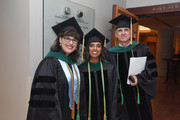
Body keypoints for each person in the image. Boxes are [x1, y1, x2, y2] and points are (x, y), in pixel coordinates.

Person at [27, 17, 85, 120]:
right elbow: (45, 98)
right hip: (56, 114)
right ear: (60, 39)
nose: (71, 43)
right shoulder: (49, 63)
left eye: (74, 40)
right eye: (67, 38)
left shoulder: (73, 63)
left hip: (72, 113)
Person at [107, 14, 158, 120]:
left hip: (140, 96)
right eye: (120, 30)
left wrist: (138, 78)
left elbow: (152, 71)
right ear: (116, 34)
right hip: (121, 99)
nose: (123, 33)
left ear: (131, 32)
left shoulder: (142, 49)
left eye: (126, 29)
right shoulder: (110, 53)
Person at [78, 28, 120, 120]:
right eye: (91, 45)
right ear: (87, 48)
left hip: (107, 114)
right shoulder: (80, 69)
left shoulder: (110, 68)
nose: (95, 49)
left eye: (98, 46)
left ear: (102, 49)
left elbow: (115, 93)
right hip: (87, 115)